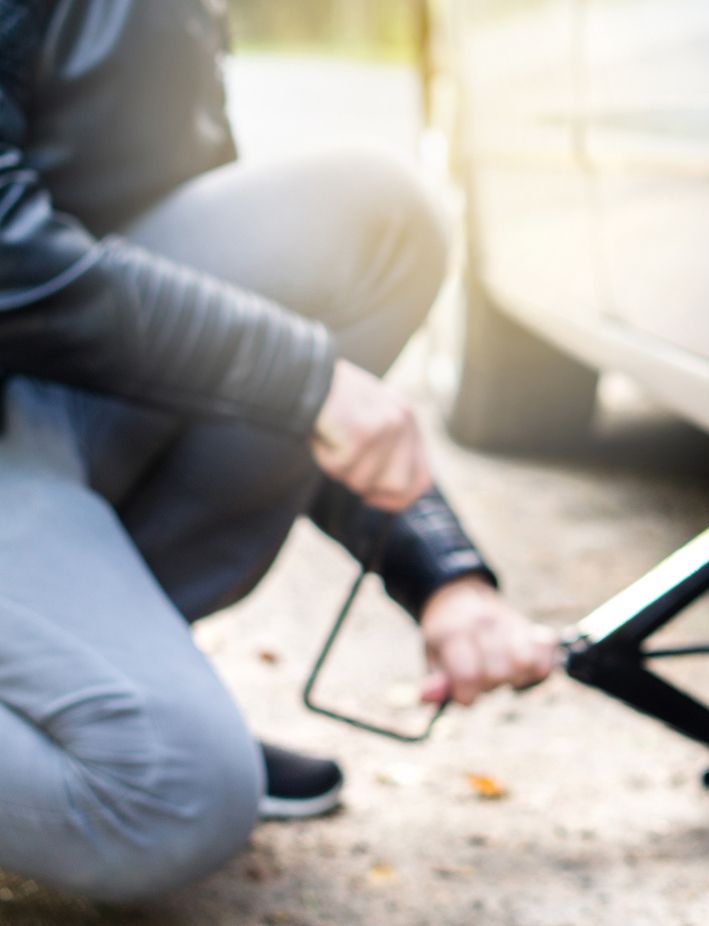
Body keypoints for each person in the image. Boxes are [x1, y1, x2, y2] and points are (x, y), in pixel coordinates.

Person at [0, 0, 562, 903]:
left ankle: (90, 679)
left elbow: (235, 341)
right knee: (174, 794)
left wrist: (441, 576)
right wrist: (301, 380)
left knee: (371, 219)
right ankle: (90, 710)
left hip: (41, 399)